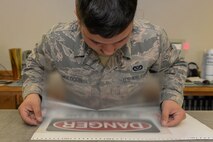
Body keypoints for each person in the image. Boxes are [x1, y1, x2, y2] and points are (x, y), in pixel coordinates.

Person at [18, 0, 187, 127]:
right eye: (95, 41)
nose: (108, 50)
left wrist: (171, 97)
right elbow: (35, 65)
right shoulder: (57, 39)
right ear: (77, 15)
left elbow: (174, 65)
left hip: (133, 120)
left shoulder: (152, 38)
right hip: (74, 122)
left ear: (132, 19)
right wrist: (32, 94)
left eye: (121, 39)